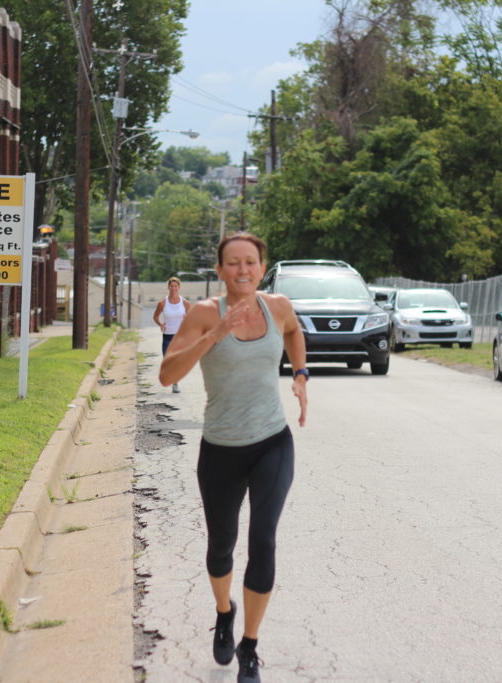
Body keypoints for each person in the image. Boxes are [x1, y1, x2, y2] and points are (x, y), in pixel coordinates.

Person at [159, 232, 308, 683]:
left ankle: (250, 645)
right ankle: (224, 613)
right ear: (221, 270)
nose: (243, 270)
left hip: (272, 442)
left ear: (262, 267)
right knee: (221, 546)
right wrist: (217, 334)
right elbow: (168, 374)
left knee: (263, 540)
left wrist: (300, 373)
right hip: (221, 448)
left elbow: (294, 331)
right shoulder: (204, 313)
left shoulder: (277, 306)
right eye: (234, 263)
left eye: (251, 262)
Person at [152, 276, 192, 393]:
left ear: (179, 287)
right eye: (171, 286)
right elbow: (155, 317)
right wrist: (160, 324)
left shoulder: (185, 303)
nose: (173, 288)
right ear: (168, 287)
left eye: (176, 286)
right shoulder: (162, 303)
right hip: (167, 336)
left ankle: (175, 383)